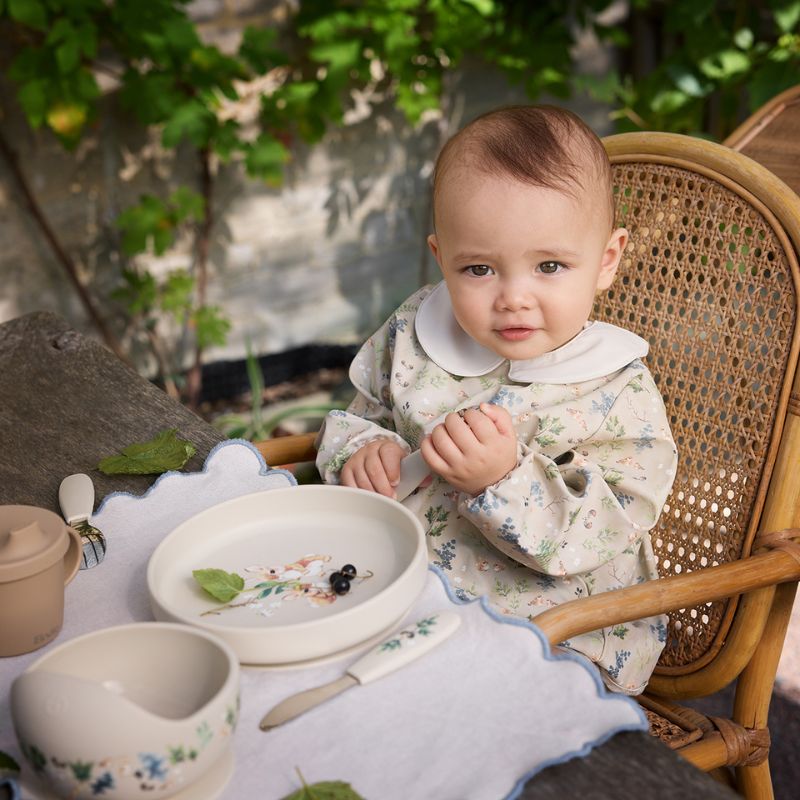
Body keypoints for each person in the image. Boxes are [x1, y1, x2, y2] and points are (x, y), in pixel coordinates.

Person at [315, 105, 678, 694]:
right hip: (401, 592)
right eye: (479, 268)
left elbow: (608, 525)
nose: (514, 298)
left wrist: (503, 480)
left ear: (606, 261)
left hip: (553, 631)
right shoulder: (415, 331)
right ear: (441, 258)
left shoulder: (616, 389)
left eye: (550, 266)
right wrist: (365, 449)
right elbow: (362, 414)